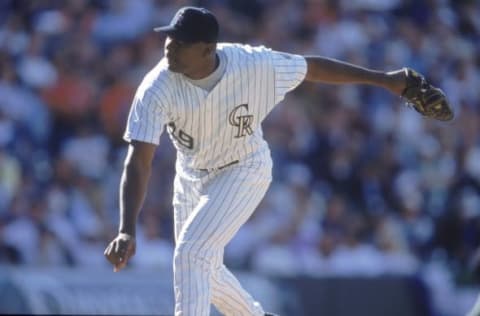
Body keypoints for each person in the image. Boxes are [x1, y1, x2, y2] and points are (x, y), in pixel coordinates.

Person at [104, 6, 448, 316]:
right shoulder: (157, 86)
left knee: (191, 254)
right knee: (203, 268)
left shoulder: (254, 65)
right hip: (191, 175)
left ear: (208, 49)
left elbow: (311, 67)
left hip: (243, 169)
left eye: (180, 42)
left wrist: (387, 80)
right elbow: (138, 160)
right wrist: (127, 228)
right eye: (169, 39)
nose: (169, 47)